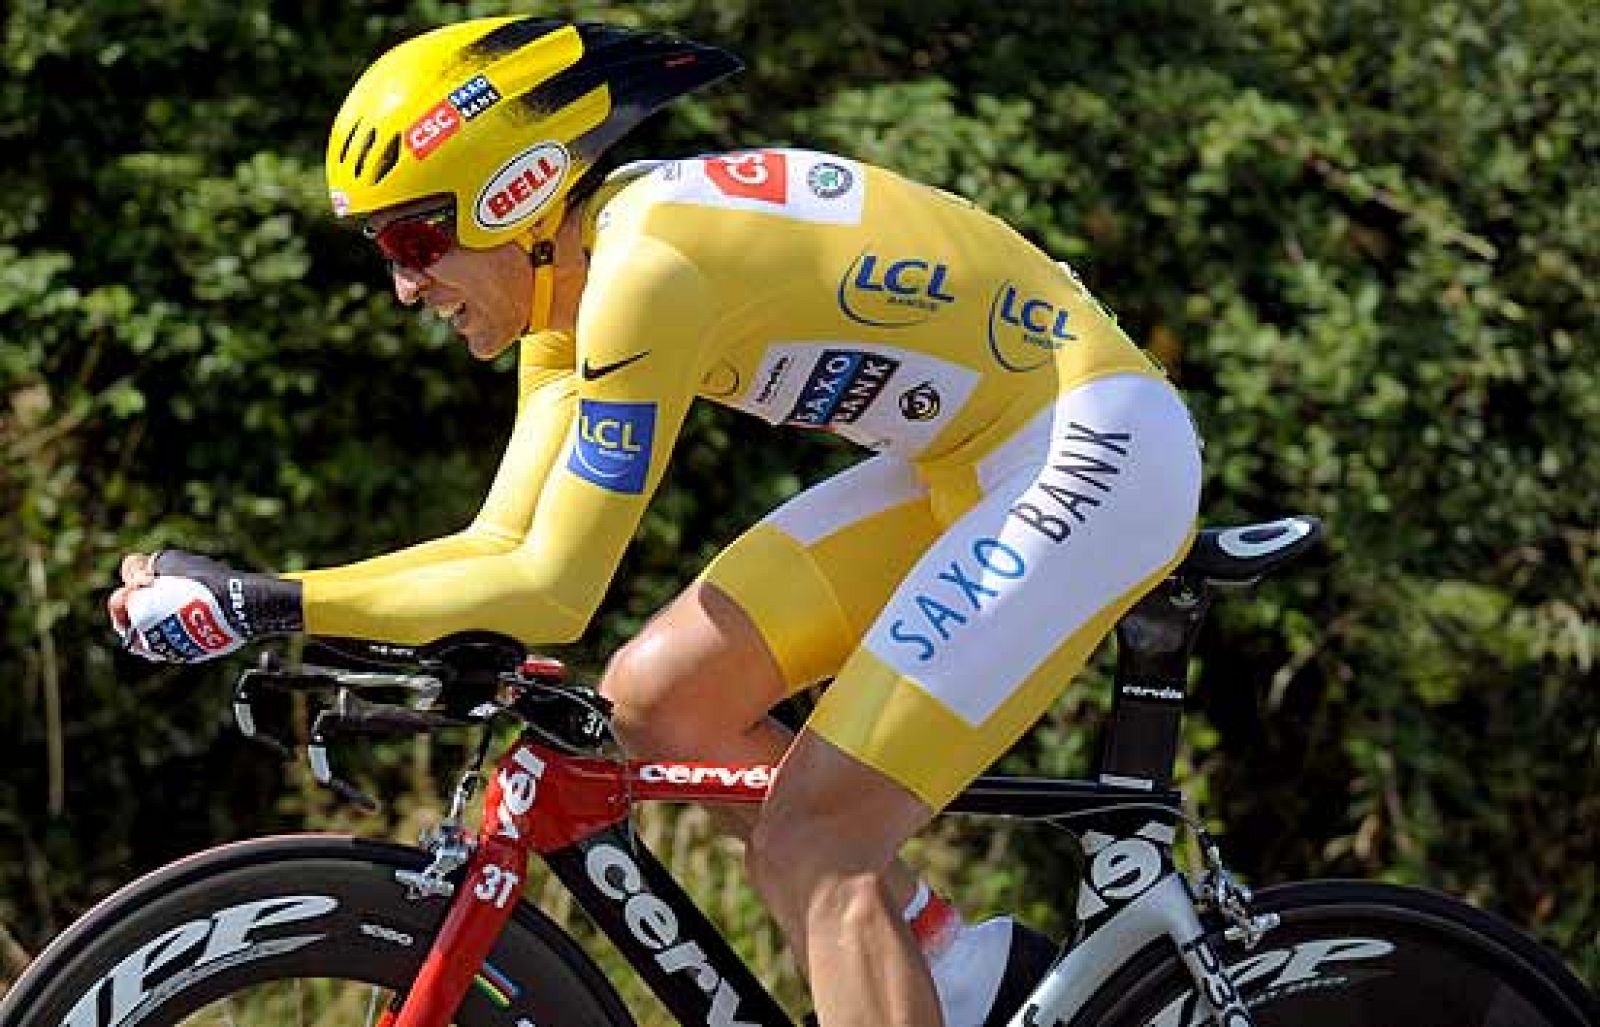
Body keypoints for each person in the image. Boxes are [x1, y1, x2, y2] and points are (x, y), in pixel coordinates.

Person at [109, 16, 1201, 1027]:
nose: (404, 286)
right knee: (662, 699)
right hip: (968, 456)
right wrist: (270, 598)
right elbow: (500, 550)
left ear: (516, 192)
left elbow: (552, 590)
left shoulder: (646, 271)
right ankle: (950, 970)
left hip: (1090, 447)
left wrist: (269, 602)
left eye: (411, 240)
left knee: (819, 841)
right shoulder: (565, 290)